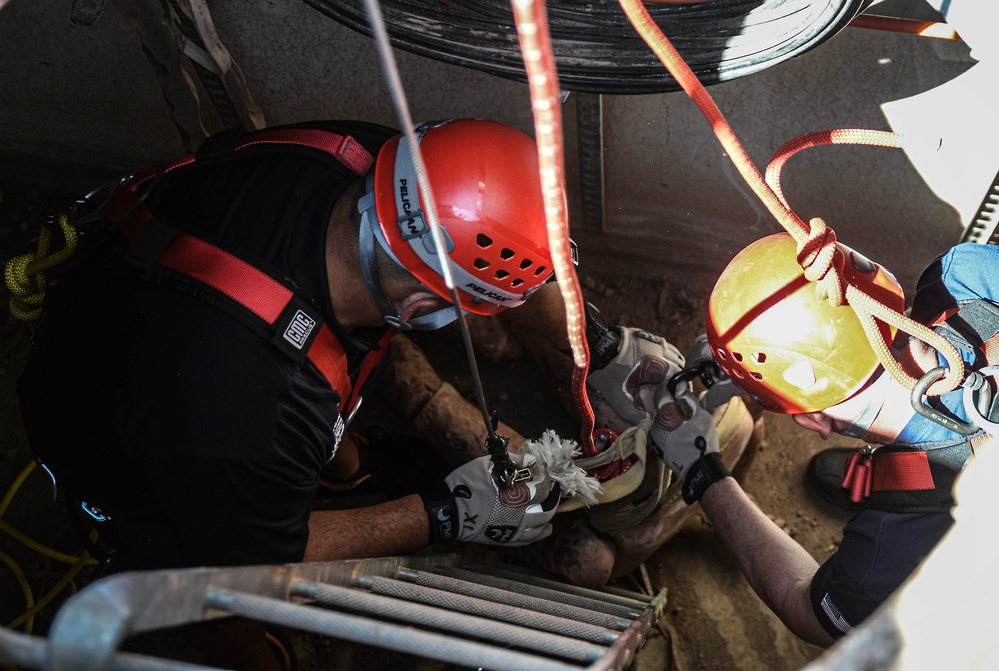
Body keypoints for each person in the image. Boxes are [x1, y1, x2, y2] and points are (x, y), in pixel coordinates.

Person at [16, 117, 686, 573]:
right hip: (120, 442)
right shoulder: (243, 411)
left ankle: (349, 465)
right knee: (227, 585)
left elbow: (501, 225)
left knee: (318, 421)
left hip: (154, 290)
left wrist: (593, 349)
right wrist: (448, 515)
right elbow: (269, 547)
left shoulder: (364, 157)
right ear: (425, 307)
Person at [640, 233, 999, 647]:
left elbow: (808, 610)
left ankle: (897, 475)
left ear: (814, 421)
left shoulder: (889, 557)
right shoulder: (965, 273)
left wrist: (703, 472)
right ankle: (894, 469)